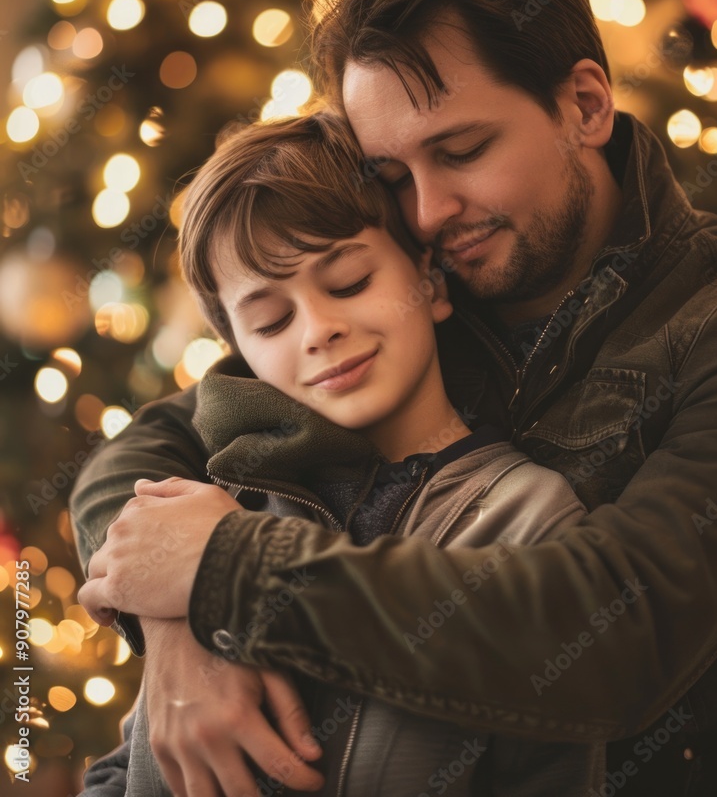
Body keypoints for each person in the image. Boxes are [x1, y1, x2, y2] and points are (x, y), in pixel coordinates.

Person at [71, 0, 717, 797]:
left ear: (584, 105)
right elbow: (158, 443)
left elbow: (612, 632)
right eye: (392, 175)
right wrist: (176, 628)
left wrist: (228, 574)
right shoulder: (425, 273)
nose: (427, 212)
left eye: (462, 150)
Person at [78, 112, 601, 796]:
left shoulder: (529, 519)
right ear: (240, 349)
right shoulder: (216, 506)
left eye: (349, 281)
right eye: (270, 321)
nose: (319, 330)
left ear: (432, 282)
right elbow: (127, 771)